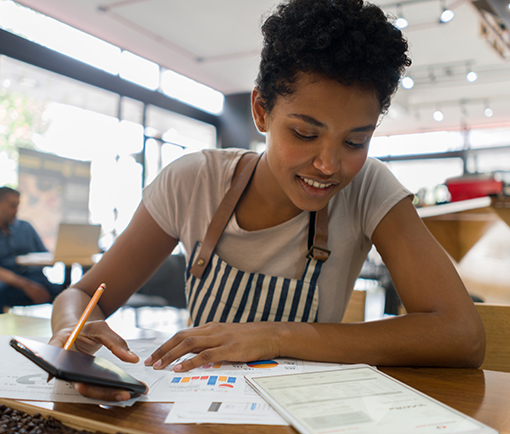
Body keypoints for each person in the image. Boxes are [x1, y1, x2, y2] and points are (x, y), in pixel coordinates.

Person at [50, 0, 485, 402]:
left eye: (355, 140)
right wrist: (72, 330)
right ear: (261, 110)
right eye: (304, 133)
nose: (329, 164)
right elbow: (85, 293)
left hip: (309, 414)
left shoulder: (368, 188)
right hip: (198, 405)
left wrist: (275, 336)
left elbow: (461, 335)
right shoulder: (193, 181)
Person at [0, 186, 63, 311]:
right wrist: (25, 284)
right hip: (9, 282)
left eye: (17, 206)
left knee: (66, 294)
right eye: (12, 206)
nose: (15, 210)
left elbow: (45, 255)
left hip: (36, 278)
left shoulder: (25, 227)